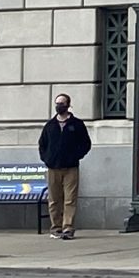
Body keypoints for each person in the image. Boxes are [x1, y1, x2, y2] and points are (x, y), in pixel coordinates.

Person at [37, 92, 91, 240]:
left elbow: (86, 143)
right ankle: (56, 227)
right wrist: (47, 159)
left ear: (68, 105)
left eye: (61, 103)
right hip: (53, 167)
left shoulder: (77, 124)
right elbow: (42, 144)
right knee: (54, 199)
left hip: (71, 167)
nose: (59, 106)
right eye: (57, 103)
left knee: (70, 199)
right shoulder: (50, 125)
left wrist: (76, 156)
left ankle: (68, 227)